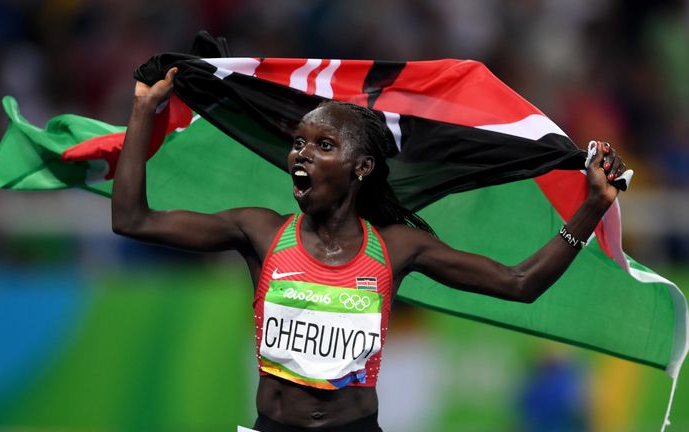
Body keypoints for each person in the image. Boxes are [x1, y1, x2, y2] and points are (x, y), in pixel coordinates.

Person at [111, 67, 628, 432]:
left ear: (361, 168)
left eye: (324, 146)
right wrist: (142, 111)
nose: (302, 154)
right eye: (299, 142)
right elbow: (132, 219)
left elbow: (520, 283)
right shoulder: (261, 232)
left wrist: (592, 208)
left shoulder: (398, 248)